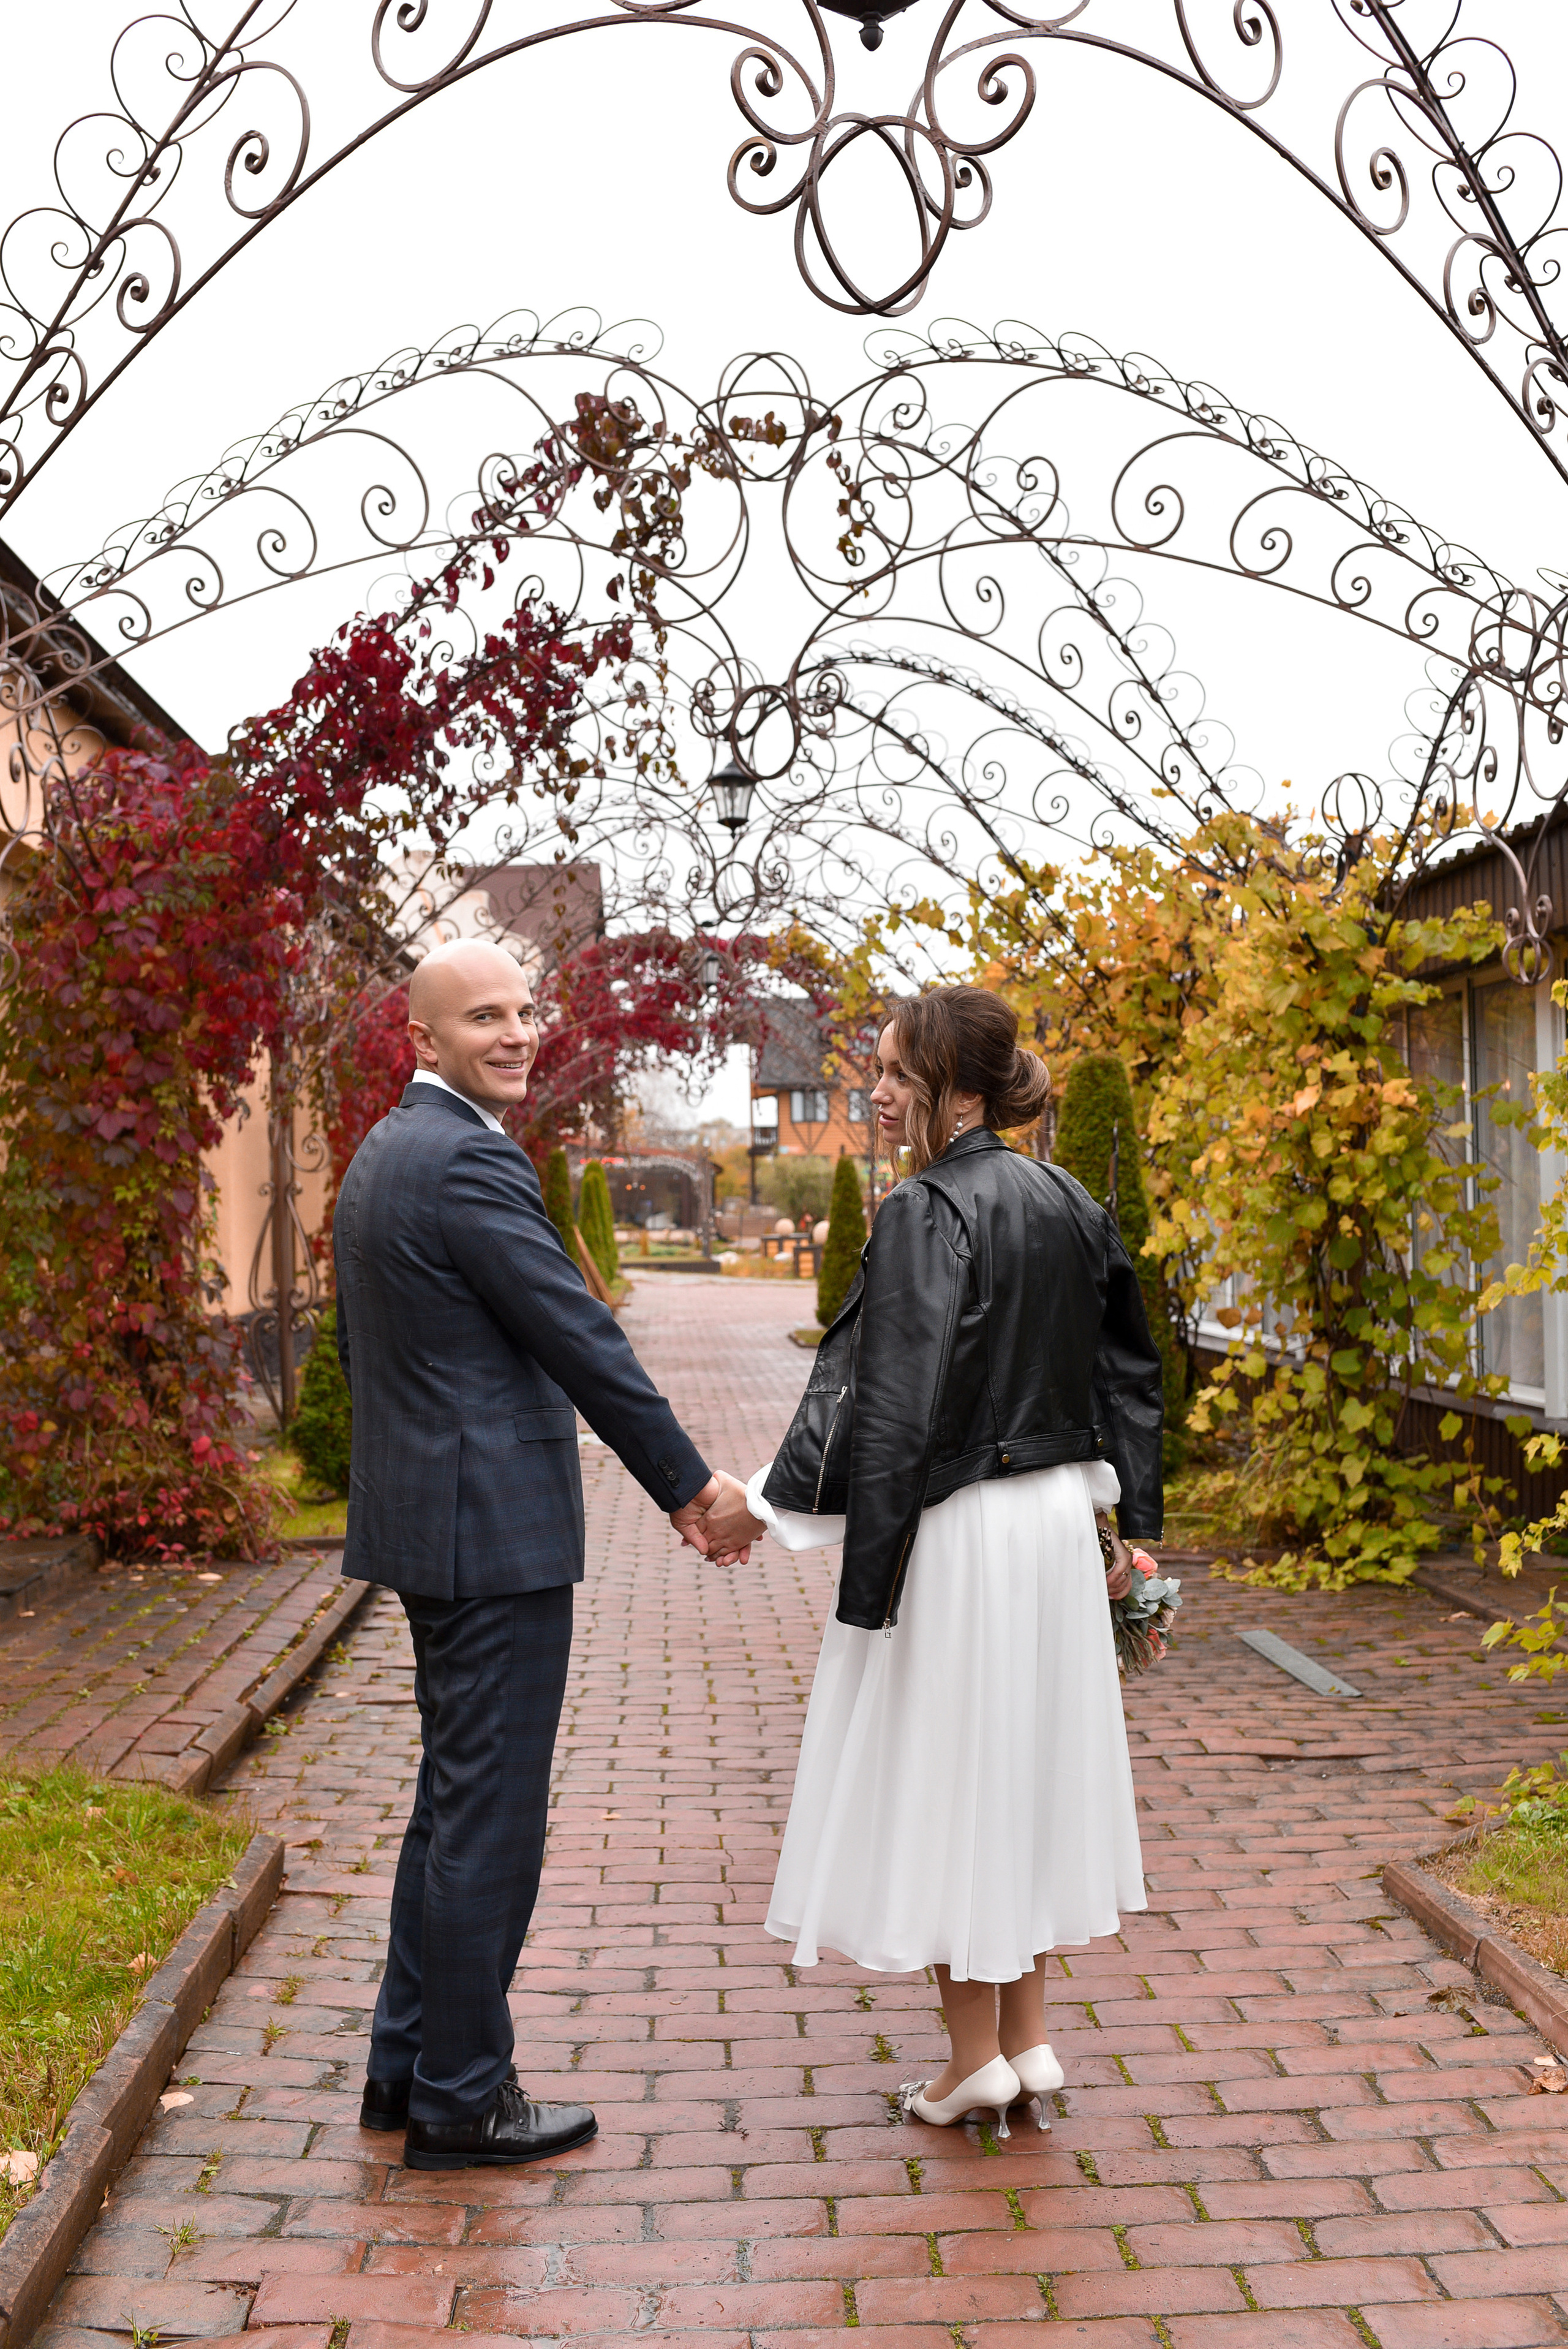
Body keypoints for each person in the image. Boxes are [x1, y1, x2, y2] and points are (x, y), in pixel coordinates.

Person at [699, 985, 1163, 2136]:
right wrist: (1131, 1516)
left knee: (957, 1777)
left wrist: (765, 1508)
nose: (881, 1089)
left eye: (899, 1072)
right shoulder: (1068, 1198)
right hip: (1055, 1526)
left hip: (960, 1529)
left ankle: (972, 2064)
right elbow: (1128, 1373)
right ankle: (1027, 2042)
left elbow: (881, 1406)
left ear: (956, 1084)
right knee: (1027, 1772)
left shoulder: (922, 1210)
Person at [334, 937, 750, 2170]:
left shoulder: (387, 1150)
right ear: (422, 1039)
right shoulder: (464, 1160)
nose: (516, 1035)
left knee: (450, 1810)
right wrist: (690, 1486)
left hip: (434, 1525)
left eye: (525, 1011)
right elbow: (578, 1338)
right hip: (488, 1538)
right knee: (490, 1821)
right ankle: (464, 2100)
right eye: (483, 1018)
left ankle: (405, 2070)